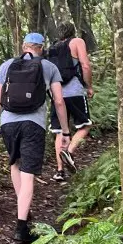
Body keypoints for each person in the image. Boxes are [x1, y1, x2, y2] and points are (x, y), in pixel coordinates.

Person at [0, 33, 70, 243]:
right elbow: (59, 101)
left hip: (8, 124)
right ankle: (21, 228)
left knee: (15, 165)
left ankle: (24, 208)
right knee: (28, 173)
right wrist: (65, 131)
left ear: (24, 46)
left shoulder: (6, 66)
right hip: (33, 124)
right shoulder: (49, 67)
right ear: (42, 47)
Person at [49, 22, 94, 181]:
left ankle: (60, 171)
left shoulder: (53, 47)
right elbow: (85, 65)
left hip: (56, 93)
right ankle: (69, 151)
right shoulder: (77, 42)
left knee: (60, 131)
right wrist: (89, 86)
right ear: (73, 31)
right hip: (74, 91)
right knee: (85, 125)